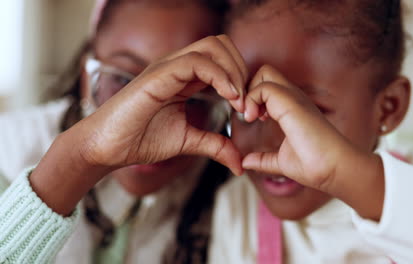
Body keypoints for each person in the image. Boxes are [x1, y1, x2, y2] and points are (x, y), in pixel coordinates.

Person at [209, 0, 413, 263]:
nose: (273, 140)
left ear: (389, 108)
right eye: (245, 111)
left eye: (309, 112)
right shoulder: (238, 209)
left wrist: (341, 173)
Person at [0, 0, 240, 263]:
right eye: (123, 80)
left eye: (192, 97)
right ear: (85, 74)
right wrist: (75, 162)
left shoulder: (236, 204)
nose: (149, 122)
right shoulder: (9, 152)